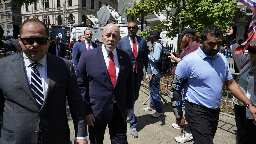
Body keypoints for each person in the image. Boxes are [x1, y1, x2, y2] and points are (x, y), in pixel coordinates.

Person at [0, 18, 88, 144]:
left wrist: (81, 135)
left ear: (48, 41)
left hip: (56, 138)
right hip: (15, 139)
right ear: (20, 40)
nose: (35, 44)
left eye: (40, 40)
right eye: (29, 40)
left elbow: (76, 104)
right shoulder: (3, 67)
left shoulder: (65, 66)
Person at [173, 25, 256, 144]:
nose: (216, 47)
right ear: (201, 41)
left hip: (214, 111)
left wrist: (249, 104)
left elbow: (231, 83)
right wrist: (178, 114)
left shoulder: (222, 59)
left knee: (205, 140)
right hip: (196, 110)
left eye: (219, 43)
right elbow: (175, 89)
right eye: (211, 44)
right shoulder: (188, 61)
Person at [77, 23, 133, 144]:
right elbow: (81, 85)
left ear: (119, 38)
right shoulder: (87, 57)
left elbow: (129, 84)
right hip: (96, 112)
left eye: (115, 36)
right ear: (102, 36)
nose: (111, 39)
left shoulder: (125, 57)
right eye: (108, 35)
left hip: (119, 111)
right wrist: (86, 111)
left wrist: (129, 107)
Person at [117, 20, 148, 138]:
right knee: (126, 97)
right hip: (124, 76)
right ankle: (132, 124)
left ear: (137, 29)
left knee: (134, 97)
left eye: (133, 28)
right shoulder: (121, 42)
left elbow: (145, 58)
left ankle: (128, 115)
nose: (131, 30)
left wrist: (148, 71)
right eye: (129, 28)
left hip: (137, 75)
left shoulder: (142, 41)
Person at [169, 28, 200, 143]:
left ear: (188, 36)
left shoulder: (194, 47)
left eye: (183, 36)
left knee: (185, 107)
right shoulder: (190, 47)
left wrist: (176, 59)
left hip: (187, 83)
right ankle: (183, 125)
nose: (181, 39)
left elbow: (188, 64)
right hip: (183, 83)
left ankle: (188, 133)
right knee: (182, 106)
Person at [146, 31, 163, 118]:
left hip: (155, 73)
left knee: (155, 92)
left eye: (151, 36)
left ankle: (159, 111)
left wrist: (147, 55)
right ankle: (152, 107)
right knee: (152, 91)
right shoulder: (154, 44)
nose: (149, 38)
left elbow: (156, 58)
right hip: (152, 72)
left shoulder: (157, 45)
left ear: (154, 37)